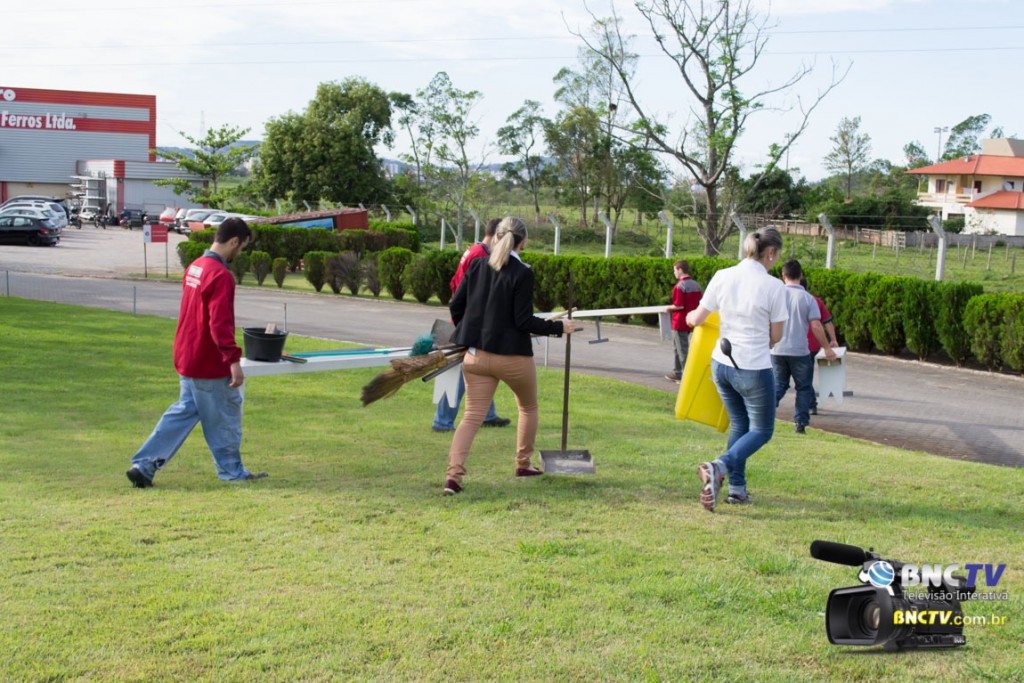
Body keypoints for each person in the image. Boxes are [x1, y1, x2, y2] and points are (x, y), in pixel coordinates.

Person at [126, 217, 267, 488]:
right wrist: (232, 360)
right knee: (224, 417)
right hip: (208, 362)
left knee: (183, 413)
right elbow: (219, 323)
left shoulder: (195, 267)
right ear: (234, 241)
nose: (240, 254)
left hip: (187, 356)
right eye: (241, 248)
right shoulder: (221, 275)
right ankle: (232, 472)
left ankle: (143, 465)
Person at [443, 217, 576, 495]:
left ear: (496, 236)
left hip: (476, 356)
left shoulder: (477, 265)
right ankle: (522, 464)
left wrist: (468, 333)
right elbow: (524, 321)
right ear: (523, 241)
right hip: (513, 357)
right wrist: (559, 327)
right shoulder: (523, 273)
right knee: (528, 408)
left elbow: (456, 305)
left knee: (470, 418)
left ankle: (453, 478)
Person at [685, 228, 789, 511]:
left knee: (740, 425)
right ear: (770, 252)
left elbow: (697, 317)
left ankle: (737, 490)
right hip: (753, 367)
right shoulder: (774, 287)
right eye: (777, 255)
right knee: (762, 430)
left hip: (721, 363)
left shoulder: (723, 275)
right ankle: (720, 466)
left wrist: (689, 316)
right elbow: (776, 335)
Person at [432, 218, 510, 433]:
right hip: (469, 324)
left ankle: (488, 414)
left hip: (466, 320)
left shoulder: (474, 250)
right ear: (497, 235)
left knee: (483, 366)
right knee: (459, 372)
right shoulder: (481, 256)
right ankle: (442, 422)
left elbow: (455, 284)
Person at [771, 260, 836, 434]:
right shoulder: (808, 298)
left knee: (779, 384)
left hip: (776, 349)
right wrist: (827, 347)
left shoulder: (776, 295)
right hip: (800, 350)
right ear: (801, 275)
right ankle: (800, 423)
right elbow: (816, 325)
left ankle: (764, 410)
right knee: (803, 387)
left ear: (783, 275)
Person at [801, 275, 838, 416]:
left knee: (801, 378)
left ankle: (810, 404)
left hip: (796, 345)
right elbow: (827, 322)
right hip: (814, 345)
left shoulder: (788, 298)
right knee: (806, 376)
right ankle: (809, 404)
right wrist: (833, 340)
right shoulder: (815, 301)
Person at [664, 259, 703, 383]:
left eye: (675, 270)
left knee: (682, 350)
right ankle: (677, 372)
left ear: (680, 270)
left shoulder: (679, 286)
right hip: (691, 320)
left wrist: (668, 308)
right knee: (678, 348)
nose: (674, 273)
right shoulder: (696, 285)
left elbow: (679, 305)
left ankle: (686, 376)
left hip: (680, 321)